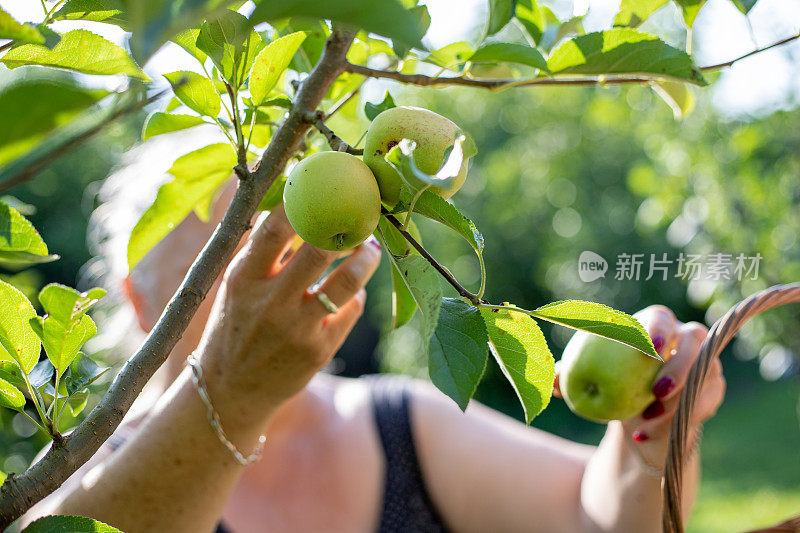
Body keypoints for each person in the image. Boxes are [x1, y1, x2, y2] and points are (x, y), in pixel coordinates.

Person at [22, 135, 725, 533]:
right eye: (216, 269)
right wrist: (229, 397)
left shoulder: (395, 424)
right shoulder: (90, 471)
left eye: (274, 242)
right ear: (141, 301)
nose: (260, 281)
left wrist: (652, 441)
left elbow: (592, 520)